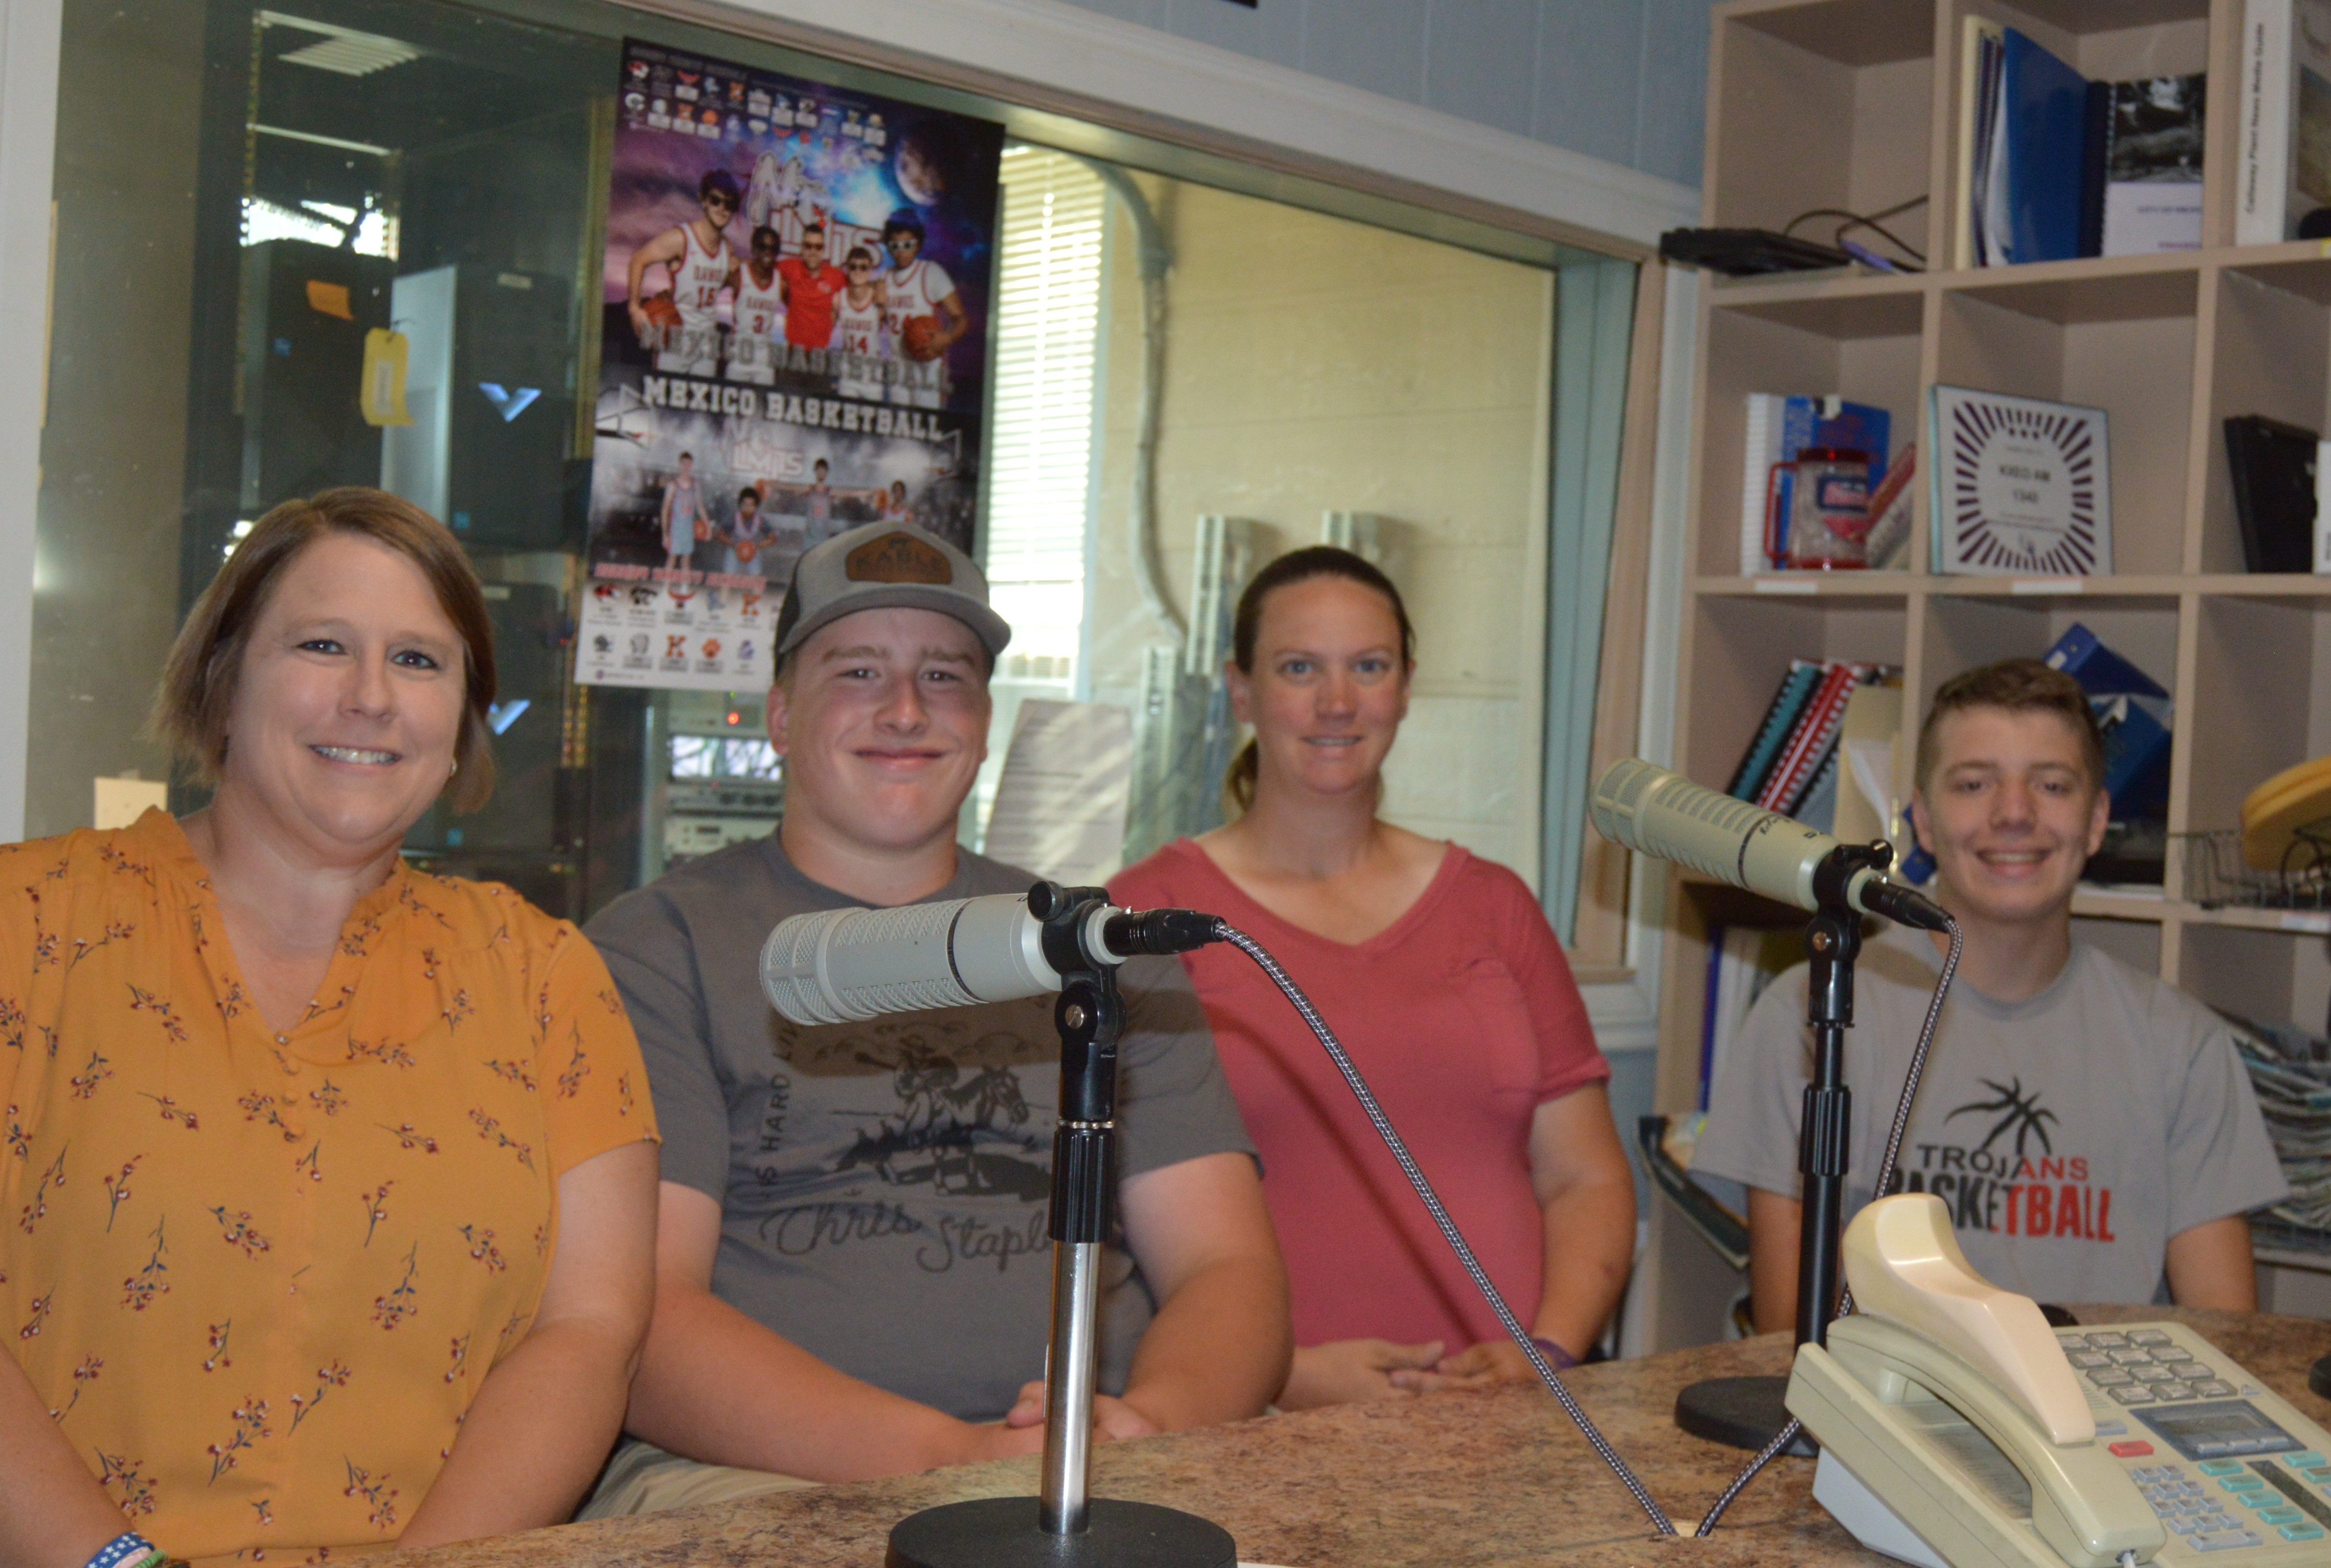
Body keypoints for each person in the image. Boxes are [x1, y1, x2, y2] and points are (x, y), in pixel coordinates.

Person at [0, 488, 659, 1568]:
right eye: (322, 645)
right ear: (221, 679)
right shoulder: (3, 922)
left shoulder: (545, 977)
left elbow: (587, 1334)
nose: (370, 697)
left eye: (419, 661)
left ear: (464, 717)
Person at [577, 520, 1289, 1515]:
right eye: (859, 672)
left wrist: (1152, 1425)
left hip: (1110, 1462)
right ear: (780, 716)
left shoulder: (1098, 949)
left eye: (946, 676)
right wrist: (956, 1458)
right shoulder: (659, 949)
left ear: (987, 719)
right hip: (761, 1481)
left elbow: (1227, 1267)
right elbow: (639, 1322)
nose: (906, 709)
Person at [1108, 546, 1636, 1410]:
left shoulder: (1492, 906)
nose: (1337, 702)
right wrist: (1276, 1375)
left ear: (1405, 685)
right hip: (1250, 1425)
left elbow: (1583, 1176)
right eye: (1297, 669)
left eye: (1367, 666)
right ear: (1239, 690)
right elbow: (1106, 1235)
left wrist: (1547, 1350)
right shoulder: (1147, 918)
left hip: (1505, 1422)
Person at [1692, 659, 2287, 1329]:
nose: (2012, 812)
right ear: (1921, 816)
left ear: (2094, 820)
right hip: (1880, 1422)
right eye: (1974, 783)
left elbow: (2222, 1347)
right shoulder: (1812, 1016)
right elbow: (1788, 1345)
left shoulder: (2181, 1046)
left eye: (2051, 784)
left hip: (2098, 1424)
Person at [625, 168, 740, 376]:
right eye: (716, 201)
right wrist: (635, 307)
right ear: (704, 201)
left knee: (699, 407)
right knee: (663, 405)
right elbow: (638, 259)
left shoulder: (727, 249)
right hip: (675, 339)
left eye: (729, 204)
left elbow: (712, 284)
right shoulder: (681, 239)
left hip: (705, 344)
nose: (722, 209)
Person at [881, 211, 966, 409]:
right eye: (895, 246)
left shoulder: (931, 273)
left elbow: (961, 319)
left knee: (927, 428)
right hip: (898, 367)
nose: (901, 251)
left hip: (927, 366)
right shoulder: (884, 278)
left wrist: (947, 338)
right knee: (897, 429)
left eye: (908, 245)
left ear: (918, 244)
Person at [724, 225, 786, 387]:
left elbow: (797, 310)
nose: (768, 252)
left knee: (760, 411)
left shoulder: (781, 283)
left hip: (764, 359)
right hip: (739, 355)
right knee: (733, 411)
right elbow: (710, 288)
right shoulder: (738, 275)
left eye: (773, 249)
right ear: (754, 248)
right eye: (763, 247)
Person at [776, 224, 847, 362]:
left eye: (818, 247)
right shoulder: (790, 267)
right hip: (793, 353)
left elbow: (859, 285)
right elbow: (759, 267)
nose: (813, 251)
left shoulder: (836, 276)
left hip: (820, 355)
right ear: (802, 247)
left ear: (824, 250)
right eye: (808, 246)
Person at [831, 245, 886, 401]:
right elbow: (825, 328)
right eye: (853, 267)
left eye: (863, 267)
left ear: (870, 271)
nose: (858, 271)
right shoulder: (839, 298)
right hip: (848, 375)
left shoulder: (879, 298)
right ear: (847, 269)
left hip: (873, 376)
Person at [658, 452, 706, 576]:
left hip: (688, 529)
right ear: (680, 464)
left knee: (686, 561)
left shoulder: (695, 484)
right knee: (672, 559)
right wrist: (665, 534)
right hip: (675, 529)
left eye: (689, 464)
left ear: (692, 465)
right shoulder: (673, 484)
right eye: (684, 463)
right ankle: (665, 589)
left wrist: (707, 525)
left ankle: (685, 589)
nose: (686, 466)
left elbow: (700, 506)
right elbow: (665, 509)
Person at [721, 486, 776, 576]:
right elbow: (720, 534)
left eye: (751, 505)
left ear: (756, 507)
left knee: (756, 580)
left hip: (752, 549)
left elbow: (773, 538)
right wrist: (734, 545)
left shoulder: (760, 520)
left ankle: (756, 589)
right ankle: (725, 590)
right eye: (745, 505)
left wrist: (757, 546)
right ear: (740, 505)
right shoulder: (733, 518)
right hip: (735, 549)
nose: (748, 508)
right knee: (727, 578)